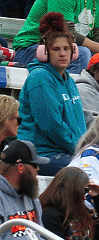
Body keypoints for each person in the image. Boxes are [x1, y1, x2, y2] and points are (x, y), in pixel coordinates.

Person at [16, 15, 86, 175]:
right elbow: (51, 124)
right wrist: (79, 149)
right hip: (39, 154)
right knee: (87, 171)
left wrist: (85, 148)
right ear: (44, 52)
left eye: (66, 49)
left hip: (64, 151)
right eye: (56, 49)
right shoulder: (40, 78)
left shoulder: (68, 80)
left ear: (73, 52)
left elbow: (79, 122)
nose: (62, 53)